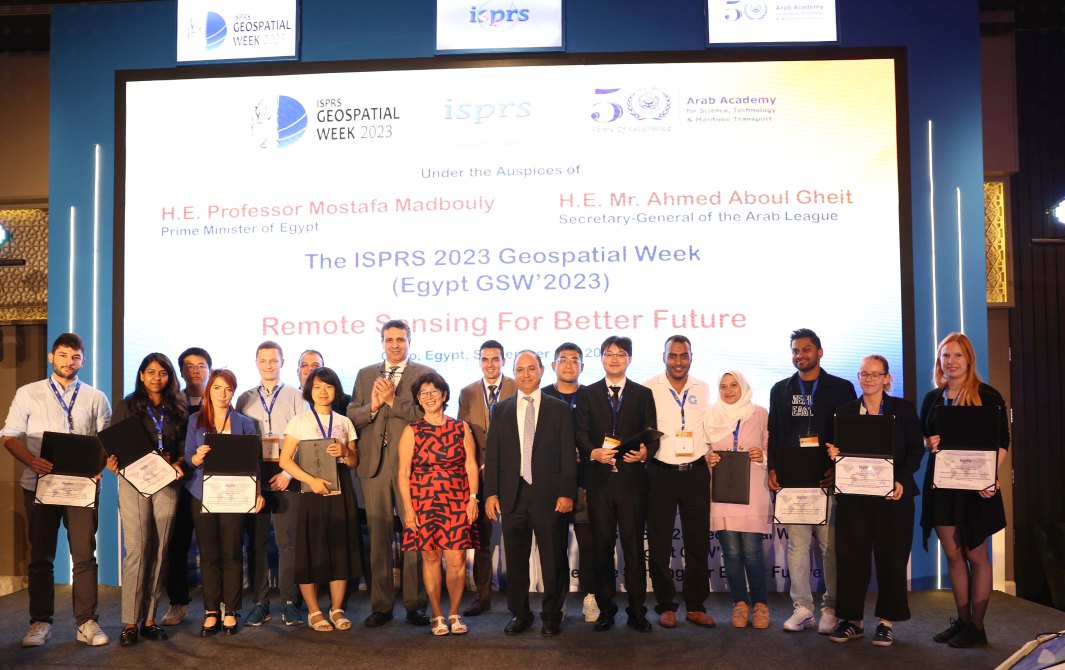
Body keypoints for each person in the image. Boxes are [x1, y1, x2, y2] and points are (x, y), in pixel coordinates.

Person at [2, 332, 112, 647]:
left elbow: (104, 441)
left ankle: (87, 622)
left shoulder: (96, 397)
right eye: (63, 355)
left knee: (84, 556)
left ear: (83, 360)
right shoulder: (28, 392)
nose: (69, 361)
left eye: (75, 356)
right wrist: (31, 460)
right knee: (41, 557)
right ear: (52, 357)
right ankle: (40, 622)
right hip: (39, 485)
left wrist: (98, 468)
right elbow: (9, 436)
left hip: (81, 488)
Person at [825, 355, 924, 647]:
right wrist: (833, 455)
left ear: (886, 378)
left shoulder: (902, 410)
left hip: (893, 496)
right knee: (851, 557)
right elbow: (836, 449)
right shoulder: (844, 410)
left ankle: (886, 623)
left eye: (875, 374)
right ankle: (851, 620)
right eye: (864, 374)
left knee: (891, 558)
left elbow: (915, 451)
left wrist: (901, 480)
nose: (869, 379)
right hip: (854, 495)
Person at [919, 332, 1009, 648]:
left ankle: (978, 627)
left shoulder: (988, 395)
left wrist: (990, 478)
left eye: (957, 355)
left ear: (969, 358)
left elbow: (1002, 443)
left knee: (975, 554)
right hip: (943, 487)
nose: (951, 361)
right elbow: (923, 437)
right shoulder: (933, 398)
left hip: (977, 489)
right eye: (946, 356)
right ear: (939, 361)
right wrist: (928, 443)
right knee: (954, 555)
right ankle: (962, 621)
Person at [766, 328, 856, 634]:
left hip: (826, 480)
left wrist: (840, 469)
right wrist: (773, 469)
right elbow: (775, 432)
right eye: (794, 350)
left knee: (830, 546)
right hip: (793, 481)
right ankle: (802, 608)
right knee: (797, 546)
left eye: (805, 349)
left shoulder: (841, 388)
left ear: (819, 352)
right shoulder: (780, 389)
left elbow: (849, 432)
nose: (799, 355)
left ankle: (830, 607)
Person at [347, 319, 433, 627]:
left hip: (411, 468)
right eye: (389, 339)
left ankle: (414, 603)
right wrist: (372, 405)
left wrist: (392, 401)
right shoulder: (365, 374)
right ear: (381, 342)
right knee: (379, 537)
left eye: (400, 339)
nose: (394, 344)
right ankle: (381, 605)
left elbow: (425, 414)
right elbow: (352, 416)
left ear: (410, 340)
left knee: (414, 536)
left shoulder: (423, 374)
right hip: (373, 465)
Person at [485, 351, 576, 637]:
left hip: (549, 496)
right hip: (512, 495)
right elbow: (495, 454)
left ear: (541, 371)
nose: (526, 374)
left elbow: (567, 455)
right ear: (513, 372)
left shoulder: (559, 408)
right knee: (516, 559)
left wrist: (566, 492)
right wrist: (490, 494)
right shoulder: (500, 409)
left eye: (531, 368)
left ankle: (551, 615)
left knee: (553, 559)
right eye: (520, 369)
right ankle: (520, 614)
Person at [575, 335, 658, 633]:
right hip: (599, 482)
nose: (614, 358)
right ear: (601, 358)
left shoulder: (643, 394)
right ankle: (607, 610)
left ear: (630, 359)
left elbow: (651, 433)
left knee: (634, 549)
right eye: (609, 354)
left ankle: (637, 611)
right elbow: (580, 433)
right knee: (601, 549)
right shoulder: (587, 394)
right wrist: (592, 452)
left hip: (632, 483)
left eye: (620, 354)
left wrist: (647, 453)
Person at [105, 353, 188, 645]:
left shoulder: (178, 407)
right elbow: (112, 444)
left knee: (160, 549)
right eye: (150, 372)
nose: (156, 378)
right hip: (133, 481)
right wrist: (111, 461)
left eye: (162, 373)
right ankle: (130, 622)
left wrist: (180, 464)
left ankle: (150, 619)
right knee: (137, 550)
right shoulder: (127, 405)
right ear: (141, 375)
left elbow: (182, 448)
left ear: (169, 377)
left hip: (166, 481)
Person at [279, 367, 363, 632]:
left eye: (328, 386)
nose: (323, 391)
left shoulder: (344, 421)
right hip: (311, 490)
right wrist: (310, 480)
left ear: (336, 390)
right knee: (310, 550)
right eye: (317, 387)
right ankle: (314, 611)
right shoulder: (299, 421)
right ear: (309, 391)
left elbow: (353, 462)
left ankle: (336, 608)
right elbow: (284, 460)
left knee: (341, 548)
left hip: (341, 489)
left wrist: (345, 451)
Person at [398, 373, 479, 636]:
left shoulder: (460, 428)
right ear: (418, 400)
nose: (429, 397)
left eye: (434, 391)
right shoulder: (412, 430)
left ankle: (454, 613)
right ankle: (437, 615)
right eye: (423, 393)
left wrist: (473, 498)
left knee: (456, 559)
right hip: (423, 501)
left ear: (445, 395)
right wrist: (408, 509)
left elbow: (471, 465)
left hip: (456, 499)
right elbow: (403, 472)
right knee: (430, 556)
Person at [185, 368, 262, 637]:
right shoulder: (195, 420)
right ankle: (211, 611)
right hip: (202, 494)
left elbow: (254, 463)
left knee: (231, 552)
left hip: (235, 495)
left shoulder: (245, 423)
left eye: (228, 389)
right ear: (209, 390)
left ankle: (231, 610)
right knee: (208, 555)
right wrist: (197, 456)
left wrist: (258, 492)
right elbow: (187, 460)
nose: (222, 393)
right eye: (217, 388)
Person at [235, 341, 307, 627]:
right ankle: (260, 602)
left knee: (288, 542)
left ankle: (290, 601)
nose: (268, 365)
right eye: (263, 360)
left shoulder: (295, 396)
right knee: (258, 543)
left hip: (287, 469)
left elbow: (306, 434)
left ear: (281, 362)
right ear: (256, 363)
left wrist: (289, 473)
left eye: (273, 360)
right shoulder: (244, 398)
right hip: (256, 473)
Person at [644, 335, 714, 629]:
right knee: (659, 543)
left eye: (683, 355)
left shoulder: (704, 387)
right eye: (672, 356)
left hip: (695, 470)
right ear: (663, 358)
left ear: (691, 357)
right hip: (659, 471)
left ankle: (696, 605)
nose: (678, 361)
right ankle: (666, 605)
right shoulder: (648, 387)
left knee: (697, 542)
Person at [705, 370, 772, 630]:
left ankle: (761, 605)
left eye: (734, 385)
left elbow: (769, 447)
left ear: (743, 386)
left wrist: (762, 455)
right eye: (723, 386)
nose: (729, 390)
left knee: (752, 553)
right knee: (731, 552)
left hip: (752, 488)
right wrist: (706, 459)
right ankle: (740, 604)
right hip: (722, 488)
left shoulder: (760, 413)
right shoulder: (710, 415)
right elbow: (701, 448)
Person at [457, 339, 516, 617]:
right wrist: (478, 466)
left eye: (495, 359)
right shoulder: (467, 392)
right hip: (479, 476)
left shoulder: (518, 387)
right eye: (485, 359)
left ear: (504, 360)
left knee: (517, 536)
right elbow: (463, 434)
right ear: (479, 361)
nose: (490, 364)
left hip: (513, 473)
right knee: (481, 540)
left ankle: (518, 598)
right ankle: (482, 597)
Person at [542, 342, 597, 623]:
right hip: (552, 484)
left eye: (574, 360)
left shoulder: (592, 396)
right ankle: (558, 602)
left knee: (589, 544)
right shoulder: (541, 397)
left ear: (582, 366)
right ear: (553, 365)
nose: (568, 365)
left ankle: (590, 597)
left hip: (586, 482)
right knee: (555, 546)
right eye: (562, 359)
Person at [161, 346, 212, 626]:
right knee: (177, 545)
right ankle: (178, 603)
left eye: (201, 365)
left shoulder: (220, 401)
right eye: (189, 366)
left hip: (211, 484)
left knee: (211, 546)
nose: (195, 370)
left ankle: (215, 605)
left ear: (209, 370)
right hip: (180, 482)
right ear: (180, 371)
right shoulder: (171, 404)